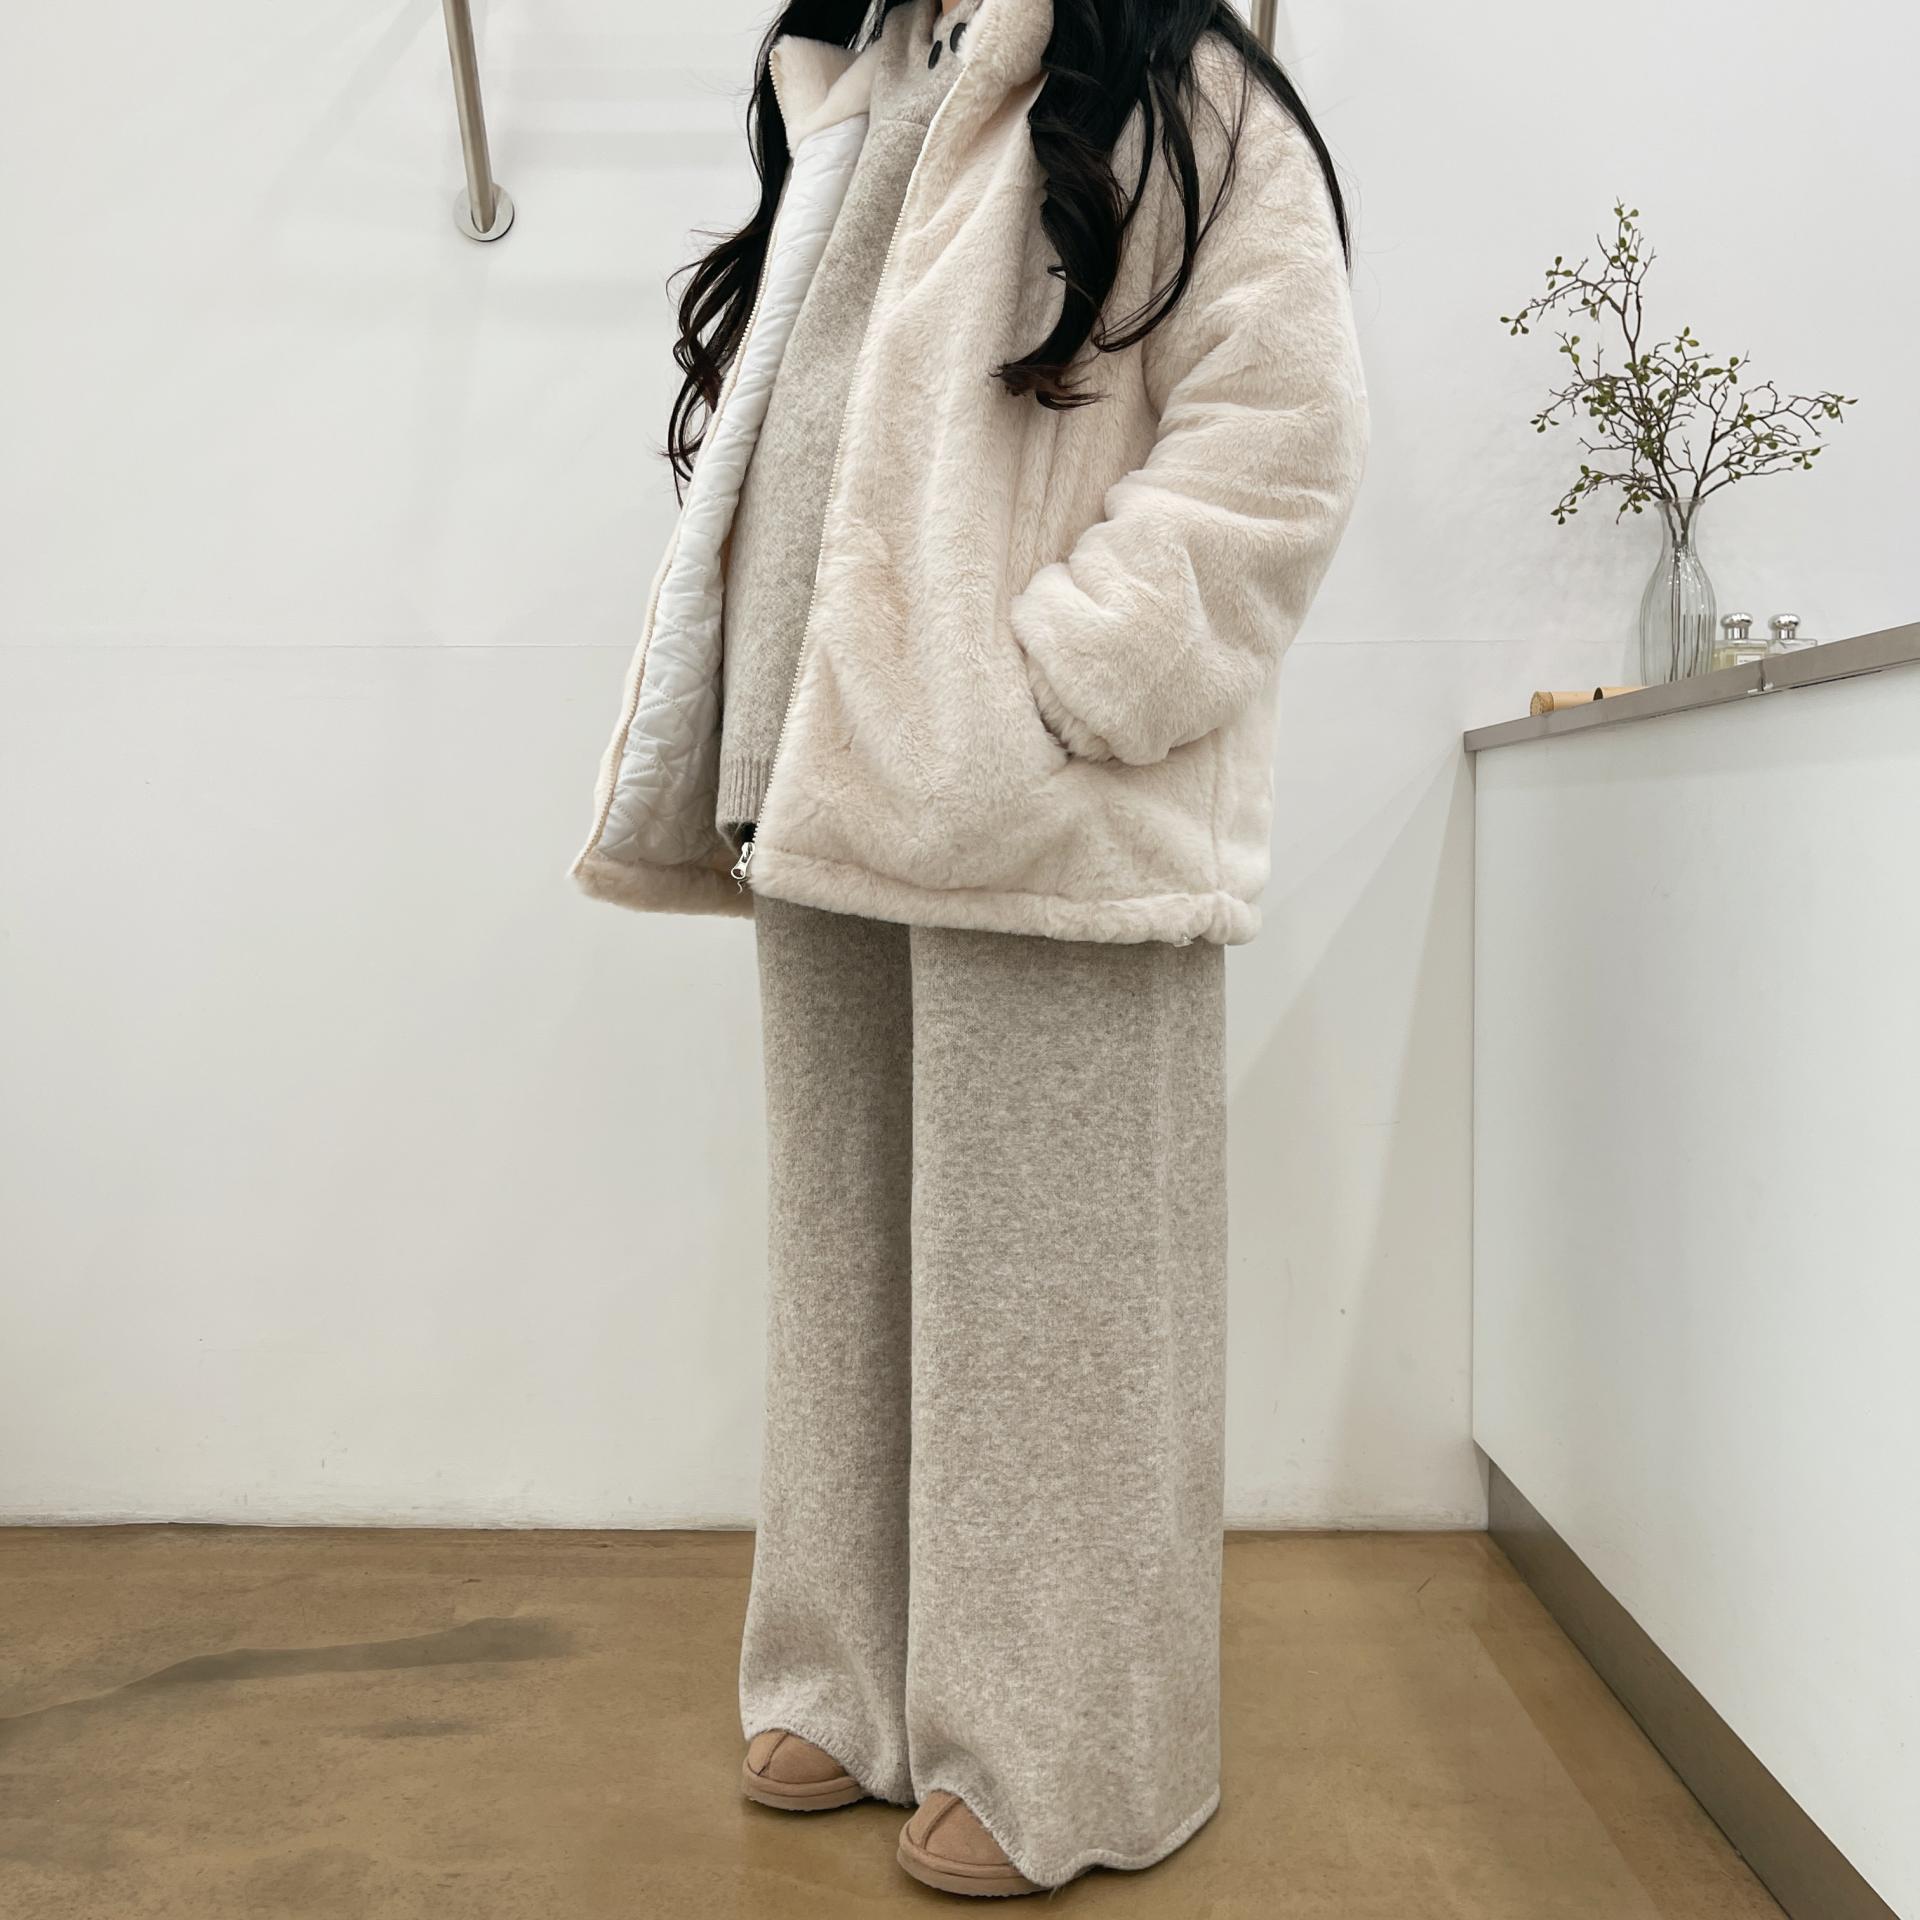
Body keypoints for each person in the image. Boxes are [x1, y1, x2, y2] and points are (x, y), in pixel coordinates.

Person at [572, 0, 1365, 1895]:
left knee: (1061, 1315)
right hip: (822, 789)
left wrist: (1062, 692)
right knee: (853, 1274)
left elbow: (1282, 438)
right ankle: (848, 1682)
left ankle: (1066, 1747)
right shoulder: (863, 79)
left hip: (1044, 811)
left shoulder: (1179, 84)